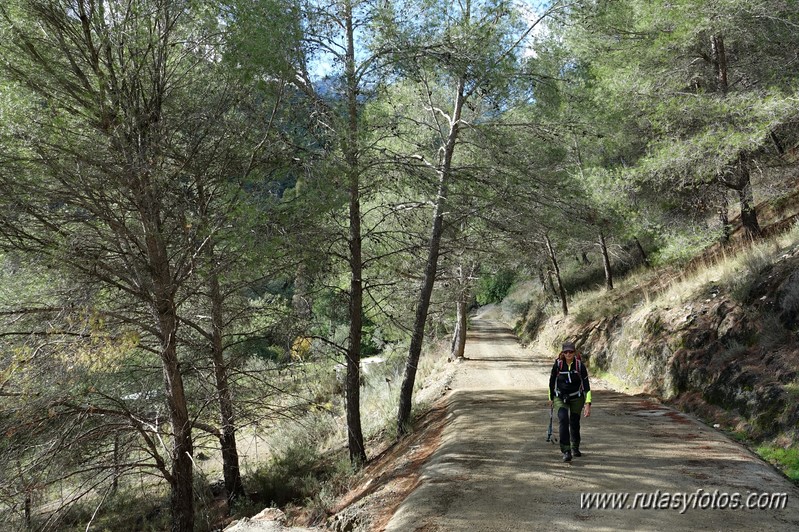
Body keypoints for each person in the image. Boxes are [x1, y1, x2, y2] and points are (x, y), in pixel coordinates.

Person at [548, 341, 592, 462]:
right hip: (560, 397)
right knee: (563, 419)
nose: (568, 354)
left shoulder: (579, 366)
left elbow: (587, 386)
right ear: (562, 353)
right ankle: (566, 450)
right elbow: (551, 382)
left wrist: (588, 404)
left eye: (571, 352)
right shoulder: (558, 365)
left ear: (574, 352)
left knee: (574, 422)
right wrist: (550, 398)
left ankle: (575, 446)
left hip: (577, 398)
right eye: (566, 352)